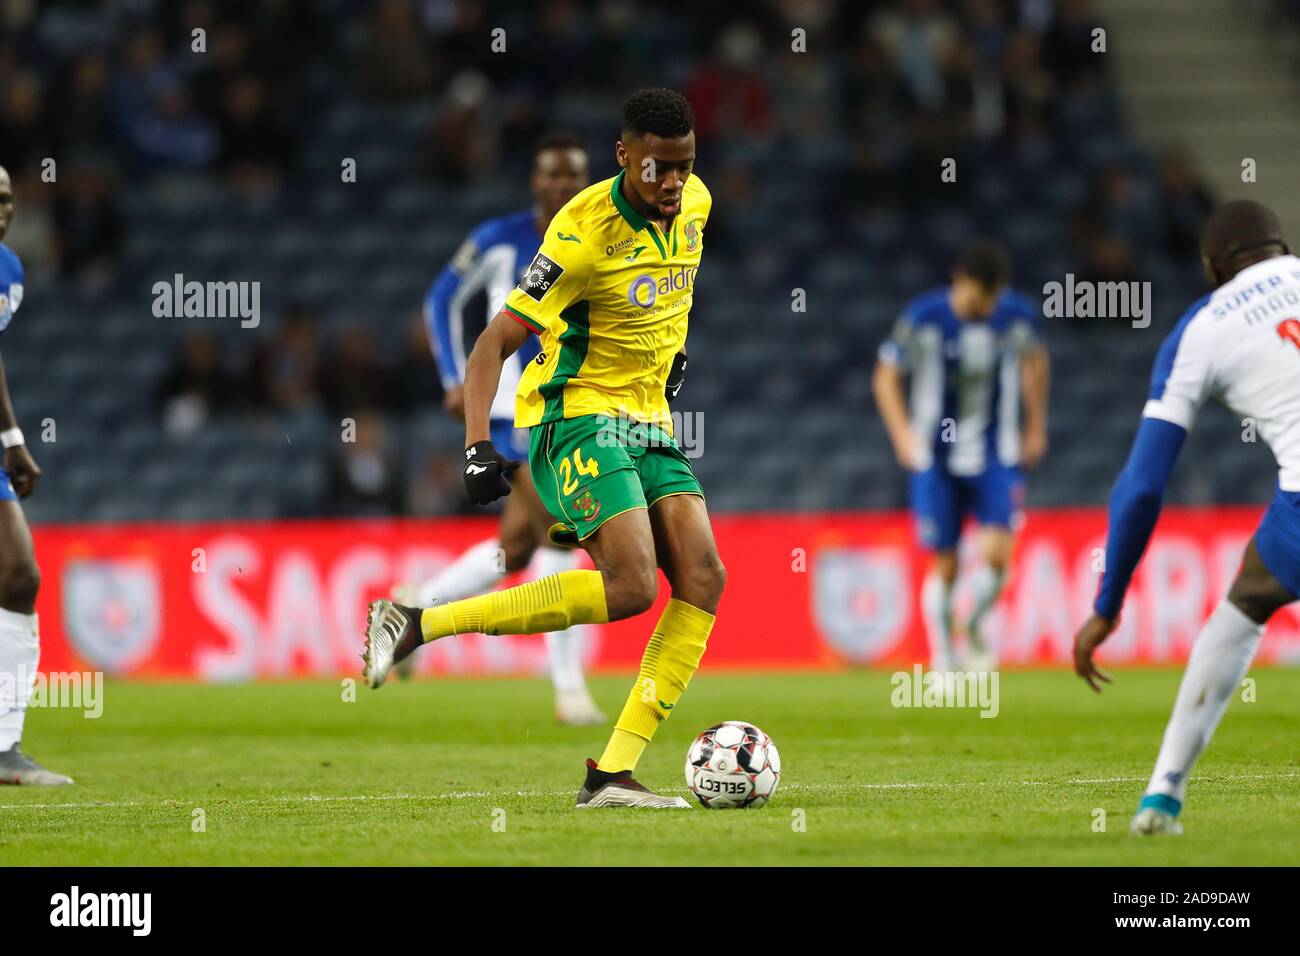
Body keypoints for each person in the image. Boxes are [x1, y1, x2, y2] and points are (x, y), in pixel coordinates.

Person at [362, 88, 711, 809]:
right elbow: (495, 340)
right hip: (574, 419)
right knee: (634, 586)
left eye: (683, 166)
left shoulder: (697, 204)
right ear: (625, 157)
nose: (674, 182)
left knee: (704, 578)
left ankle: (612, 775)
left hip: (648, 421)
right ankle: (421, 623)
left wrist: (670, 358)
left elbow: (669, 297)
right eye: (659, 169)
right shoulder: (580, 232)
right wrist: (476, 444)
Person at [1074, 200, 1300, 835]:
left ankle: (1162, 795)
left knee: (1244, 605)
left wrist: (1109, 603)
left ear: (1211, 267)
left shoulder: (1200, 331)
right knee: (1254, 587)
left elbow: (1142, 486)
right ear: (1279, 247)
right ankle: (1161, 799)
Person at [389, 131, 605, 724]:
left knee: (516, 549)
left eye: (572, 175)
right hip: (512, 413)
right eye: (552, 175)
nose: (563, 185)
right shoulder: (497, 239)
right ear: (535, 182)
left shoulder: (596, 237)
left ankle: (412, 612)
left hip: (569, 408)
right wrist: (453, 377)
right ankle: (568, 688)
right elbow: (441, 299)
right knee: (565, 529)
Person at [873, 241, 1049, 671]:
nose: (985, 306)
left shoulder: (1016, 316)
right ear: (960, 278)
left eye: (992, 298)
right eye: (978, 296)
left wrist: (1036, 426)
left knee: (997, 557)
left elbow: (1036, 360)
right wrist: (901, 435)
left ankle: (971, 624)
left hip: (997, 452)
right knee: (946, 562)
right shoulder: (924, 317)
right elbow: (885, 375)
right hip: (936, 455)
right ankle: (944, 659)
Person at [0, 166, 72, 785]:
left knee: (20, 574)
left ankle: (3, 750)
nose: (2, 209)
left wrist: (11, 439)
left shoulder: (9, 272)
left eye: (7, 199)